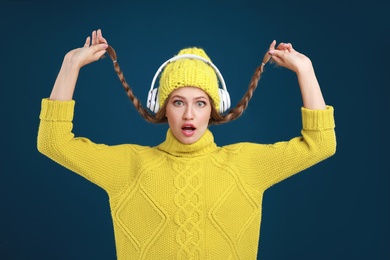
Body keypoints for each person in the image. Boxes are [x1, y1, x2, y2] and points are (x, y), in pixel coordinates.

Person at [37, 29, 336, 260]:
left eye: (200, 103)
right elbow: (53, 142)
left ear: (214, 108)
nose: (189, 114)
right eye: (178, 102)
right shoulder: (129, 167)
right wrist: (70, 64)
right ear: (162, 107)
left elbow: (320, 144)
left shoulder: (246, 165)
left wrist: (305, 69)